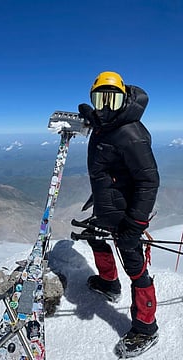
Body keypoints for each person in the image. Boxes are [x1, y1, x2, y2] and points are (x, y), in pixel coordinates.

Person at [78, 71, 159, 357]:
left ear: (124, 100)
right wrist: (93, 116)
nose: (106, 107)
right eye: (101, 100)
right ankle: (109, 283)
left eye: (113, 100)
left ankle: (146, 328)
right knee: (95, 237)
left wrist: (134, 226)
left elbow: (149, 182)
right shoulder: (108, 123)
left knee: (136, 267)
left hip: (127, 214)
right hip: (108, 205)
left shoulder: (131, 134)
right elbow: (109, 167)